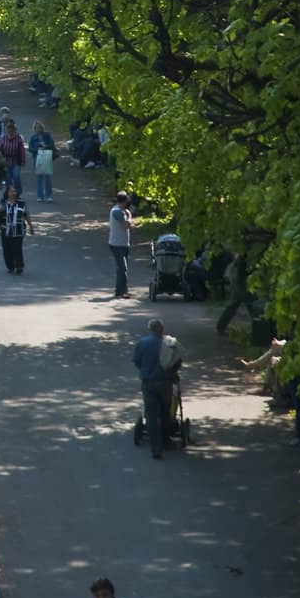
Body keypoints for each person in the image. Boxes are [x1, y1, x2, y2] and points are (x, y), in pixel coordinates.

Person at [133, 318, 177, 459]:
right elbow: (177, 362)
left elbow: (137, 361)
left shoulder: (142, 343)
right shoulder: (169, 343)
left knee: (151, 415)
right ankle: (166, 441)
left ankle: (156, 449)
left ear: (150, 329)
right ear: (162, 329)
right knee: (165, 411)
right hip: (165, 382)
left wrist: (146, 370)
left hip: (149, 382)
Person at [0, 184, 31, 274]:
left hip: (18, 230)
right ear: (7, 193)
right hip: (5, 230)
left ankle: (19, 266)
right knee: (7, 249)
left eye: (14, 191)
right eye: (11, 191)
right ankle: (10, 266)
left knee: (17, 248)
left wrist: (30, 226)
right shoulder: (2, 203)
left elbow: (26, 215)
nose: (13, 193)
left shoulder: (21, 203)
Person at [109, 191, 135, 299]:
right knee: (122, 268)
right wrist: (129, 216)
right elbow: (126, 226)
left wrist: (128, 216)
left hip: (123, 243)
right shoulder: (117, 211)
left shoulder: (121, 211)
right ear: (124, 201)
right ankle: (119, 291)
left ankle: (123, 290)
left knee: (123, 268)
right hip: (117, 244)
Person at [29, 121, 56, 200]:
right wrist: (37, 149)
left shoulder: (47, 135)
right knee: (39, 176)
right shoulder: (33, 137)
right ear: (34, 129)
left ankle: (49, 195)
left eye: (40, 128)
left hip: (46, 156)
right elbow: (30, 148)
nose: (39, 129)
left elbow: (52, 145)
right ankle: (40, 195)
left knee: (47, 176)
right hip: (37, 157)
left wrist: (46, 146)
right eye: (37, 128)